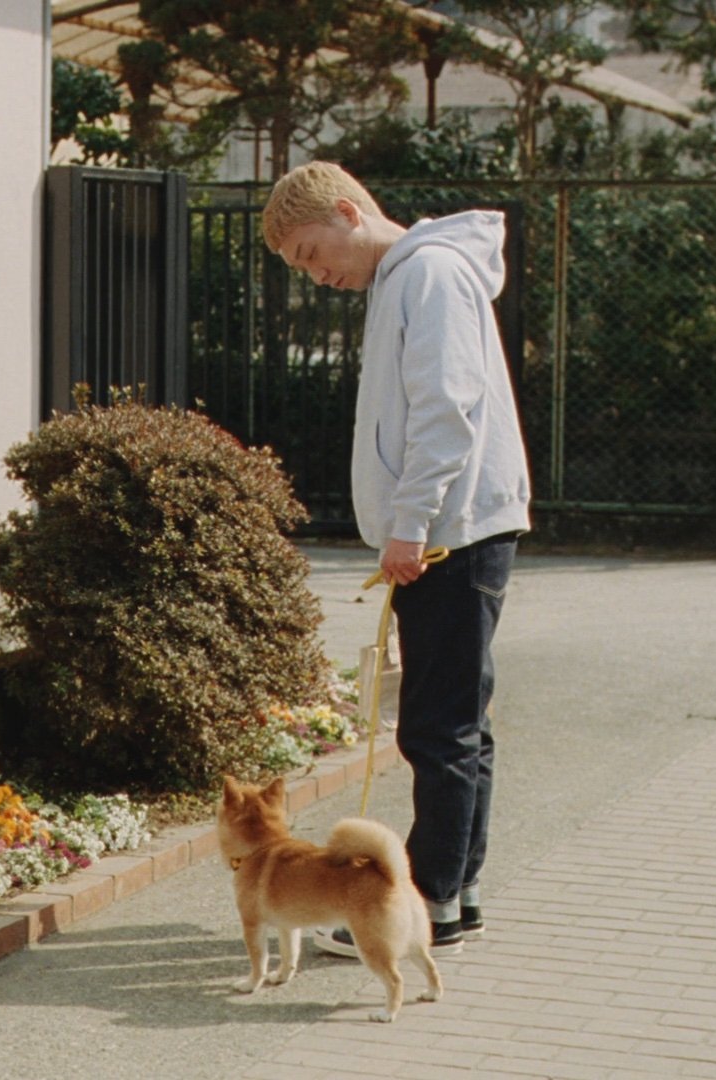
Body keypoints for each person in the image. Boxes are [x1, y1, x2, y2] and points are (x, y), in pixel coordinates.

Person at [261, 161, 531, 957]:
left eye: (314, 252)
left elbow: (447, 406)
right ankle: (455, 889)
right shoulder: (410, 278)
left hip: (452, 532)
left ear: (349, 211)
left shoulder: (431, 275)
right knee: (455, 720)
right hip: (452, 528)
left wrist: (408, 525)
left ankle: (429, 898)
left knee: (437, 726)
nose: (317, 273)